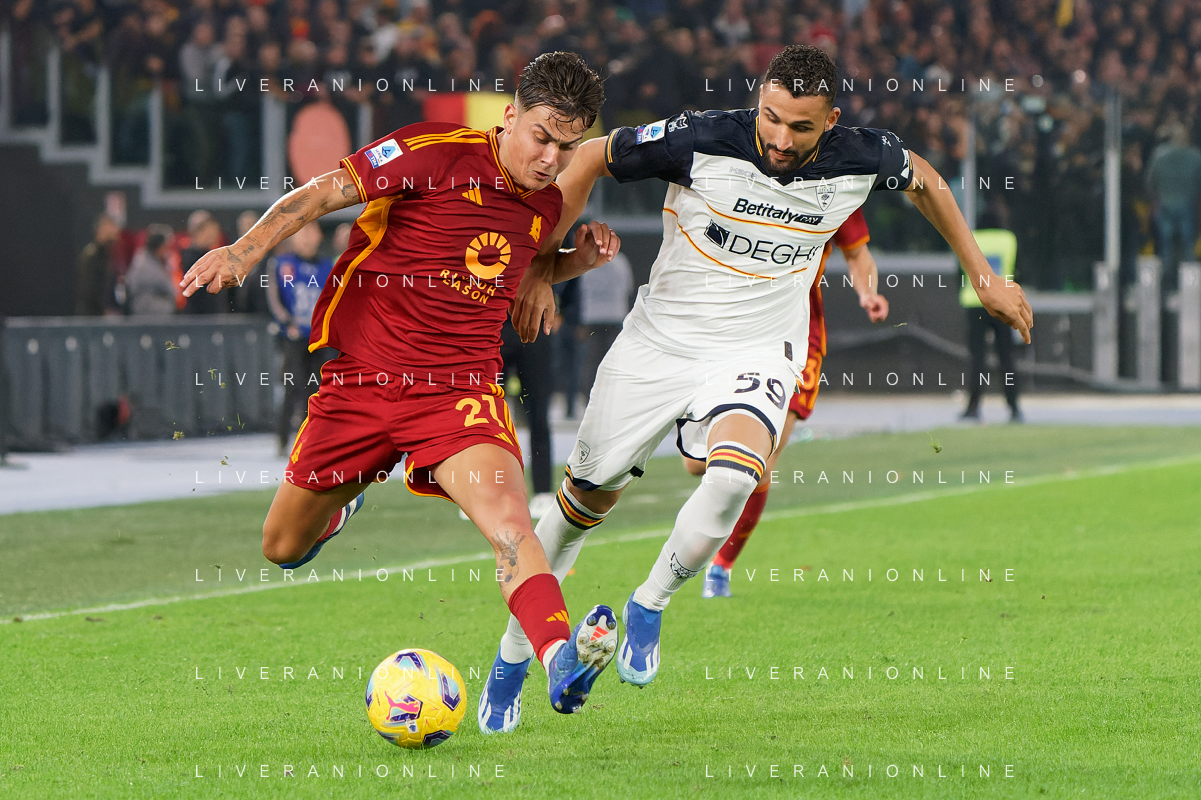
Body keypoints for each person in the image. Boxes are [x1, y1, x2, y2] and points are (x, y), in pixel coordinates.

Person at [491, 45, 1032, 711]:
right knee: (580, 507)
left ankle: (649, 603)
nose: (779, 138)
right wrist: (542, 263)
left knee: (735, 476)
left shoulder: (858, 155)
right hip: (658, 346)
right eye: (770, 118)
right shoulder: (699, 139)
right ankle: (512, 660)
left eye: (799, 127)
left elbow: (923, 177)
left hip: (756, 351)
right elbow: (595, 155)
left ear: (830, 121)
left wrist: (983, 275)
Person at [180, 52, 623, 726]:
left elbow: (518, 262)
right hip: (364, 379)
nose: (551, 160)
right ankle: (339, 509)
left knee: (510, 525)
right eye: (541, 138)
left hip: (458, 392)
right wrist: (244, 251)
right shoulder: (433, 150)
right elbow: (322, 192)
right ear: (510, 117)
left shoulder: (545, 202)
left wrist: (568, 265)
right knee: (282, 547)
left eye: (566, 147)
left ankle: (559, 659)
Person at [688, 208, 887, 598]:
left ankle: (721, 566)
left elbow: (858, 254)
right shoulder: (741, 179)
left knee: (760, 460)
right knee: (696, 463)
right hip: (731, 328)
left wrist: (868, 293)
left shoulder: (836, 184)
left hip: (796, 339)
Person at [265, 221, 336, 456]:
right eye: (302, 232)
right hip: (292, 338)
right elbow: (274, 299)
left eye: (312, 231)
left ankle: (309, 440)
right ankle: (282, 439)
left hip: (318, 339)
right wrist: (287, 323)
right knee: (292, 387)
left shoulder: (328, 266)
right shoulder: (281, 263)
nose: (307, 237)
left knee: (317, 390)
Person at [960, 221, 1021, 422]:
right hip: (1001, 302)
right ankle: (1014, 407)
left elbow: (959, 272)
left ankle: (973, 407)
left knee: (977, 357)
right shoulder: (1008, 240)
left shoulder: (970, 239)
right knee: (1007, 357)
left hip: (975, 302)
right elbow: (1016, 269)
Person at [1145, 122, 1201, 293]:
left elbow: (1150, 181)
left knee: (1166, 245)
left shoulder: (1159, 155)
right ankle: (1192, 285)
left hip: (1165, 204)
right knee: (1187, 245)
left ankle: (1167, 284)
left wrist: (1154, 199)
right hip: (1187, 205)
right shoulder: (1195, 157)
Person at [75, 212, 120, 316]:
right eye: (108, 230)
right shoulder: (91, 256)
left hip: (102, 313)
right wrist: (102, 310)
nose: (112, 234)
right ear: (99, 230)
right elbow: (88, 290)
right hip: (90, 315)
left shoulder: (108, 255)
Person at [125, 227, 177, 315]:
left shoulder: (154, 261)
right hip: (146, 313)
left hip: (153, 313)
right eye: (165, 246)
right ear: (159, 246)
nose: (166, 250)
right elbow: (171, 290)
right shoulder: (144, 264)